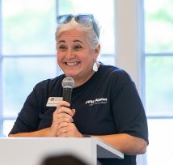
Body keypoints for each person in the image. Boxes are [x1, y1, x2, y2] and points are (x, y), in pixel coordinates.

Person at [9, 14, 149, 165]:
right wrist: (50, 133)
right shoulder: (43, 90)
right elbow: (13, 141)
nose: (69, 55)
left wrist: (82, 140)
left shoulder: (115, 81)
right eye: (62, 47)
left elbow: (138, 143)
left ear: (96, 51)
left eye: (77, 47)